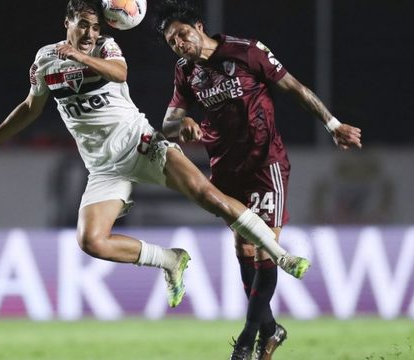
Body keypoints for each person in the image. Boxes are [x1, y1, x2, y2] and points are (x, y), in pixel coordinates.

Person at [0, 0, 309, 311]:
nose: (91, 32)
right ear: (68, 23)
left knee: (209, 197)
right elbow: (30, 108)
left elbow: (120, 72)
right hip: (104, 168)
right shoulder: (45, 61)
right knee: (91, 240)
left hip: (141, 145)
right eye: (83, 24)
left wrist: (79, 55)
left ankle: (282, 255)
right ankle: (170, 260)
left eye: (95, 26)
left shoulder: (107, 48)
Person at [155, 1, 362, 359]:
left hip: (265, 165)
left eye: (182, 34)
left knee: (265, 247)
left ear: (199, 27)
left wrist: (332, 124)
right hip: (223, 170)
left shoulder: (247, 51)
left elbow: (295, 87)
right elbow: (169, 123)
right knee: (243, 250)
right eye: (172, 41)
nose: (179, 43)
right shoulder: (185, 71)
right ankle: (271, 329)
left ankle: (248, 339)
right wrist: (181, 125)